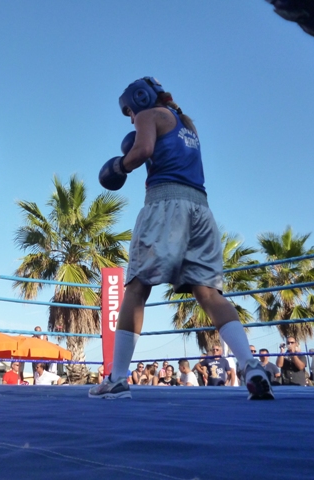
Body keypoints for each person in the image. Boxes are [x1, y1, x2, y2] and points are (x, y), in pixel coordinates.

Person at [89, 77, 272, 400]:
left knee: (136, 287)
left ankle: (117, 379)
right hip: (201, 209)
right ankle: (251, 366)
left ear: (140, 99)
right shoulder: (187, 124)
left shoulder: (150, 116)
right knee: (209, 293)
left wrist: (121, 164)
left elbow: (143, 149)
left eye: (130, 111)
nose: (132, 119)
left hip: (165, 204)